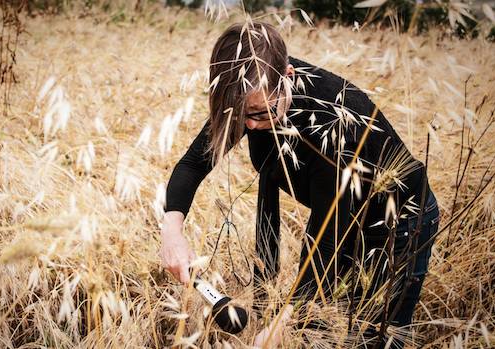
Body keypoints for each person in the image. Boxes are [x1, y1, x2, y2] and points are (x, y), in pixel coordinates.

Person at [159, 20, 440, 348]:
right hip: (336, 214)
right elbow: (195, 163)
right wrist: (172, 231)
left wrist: (284, 321)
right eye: (241, 115)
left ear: (288, 77)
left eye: (259, 113)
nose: (250, 125)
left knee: (372, 338)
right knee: (312, 331)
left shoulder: (330, 124)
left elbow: (330, 238)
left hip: (397, 222)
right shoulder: (253, 85)